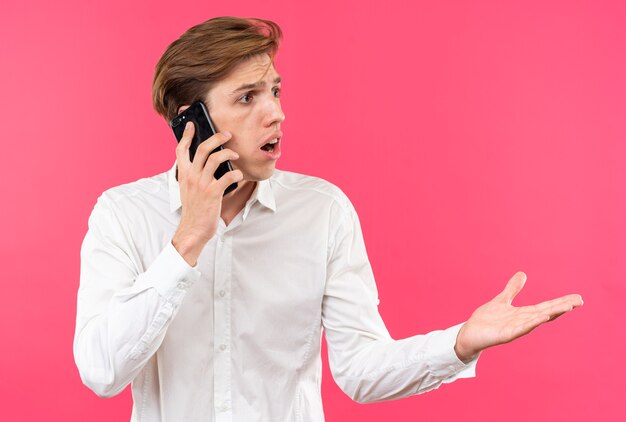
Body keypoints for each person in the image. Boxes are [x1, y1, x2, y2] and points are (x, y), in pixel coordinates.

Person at [73, 16, 583, 421]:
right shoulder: (123, 216)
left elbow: (361, 372)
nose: (276, 113)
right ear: (190, 119)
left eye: (275, 90)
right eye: (248, 97)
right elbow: (102, 373)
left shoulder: (323, 212)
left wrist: (459, 344)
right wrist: (187, 242)